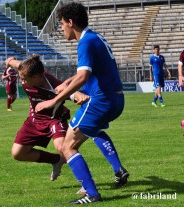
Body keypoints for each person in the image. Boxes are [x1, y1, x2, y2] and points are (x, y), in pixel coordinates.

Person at [35, 2, 129, 204]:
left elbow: (84, 76)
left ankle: (91, 193)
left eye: (62, 24)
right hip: (115, 99)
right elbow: (86, 73)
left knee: (67, 146)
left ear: (71, 22)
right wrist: (68, 82)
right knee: (92, 132)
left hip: (102, 100)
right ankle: (118, 170)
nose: (61, 29)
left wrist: (54, 100)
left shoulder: (85, 42)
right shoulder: (95, 37)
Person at [5, 55, 89, 182]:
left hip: (54, 119)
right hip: (34, 119)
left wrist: (79, 95)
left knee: (62, 147)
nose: (21, 80)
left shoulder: (53, 85)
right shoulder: (24, 69)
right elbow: (12, 62)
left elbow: (70, 91)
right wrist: (9, 61)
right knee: (18, 153)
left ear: (36, 77)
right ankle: (55, 160)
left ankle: (86, 183)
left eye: (23, 78)